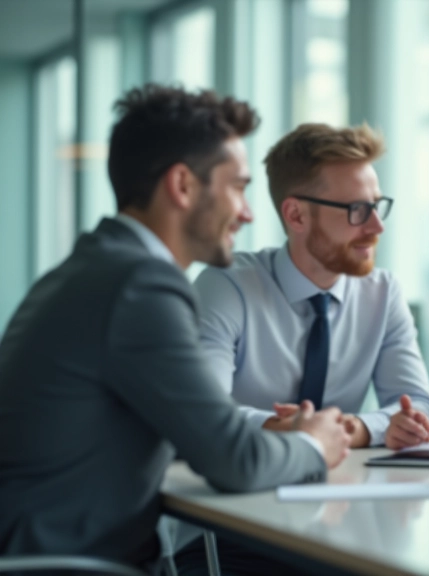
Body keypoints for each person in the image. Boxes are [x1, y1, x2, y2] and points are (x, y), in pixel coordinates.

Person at [0, 84, 351, 569]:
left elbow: (207, 434)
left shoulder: (91, 270)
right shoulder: (140, 286)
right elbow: (237, 461)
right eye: (238, 187)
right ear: (182, 185)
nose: (248, 212)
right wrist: (315, 442)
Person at [192, 123, 429, 451]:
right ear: (296, 215)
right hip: (243, 484)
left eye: (377, 206)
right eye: (358, 210)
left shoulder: (383, 293)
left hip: (345, 486)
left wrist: (356, 427)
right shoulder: (226, 286)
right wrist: (295, 429)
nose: (377, 226)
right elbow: (203, 410)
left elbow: (420, 405)